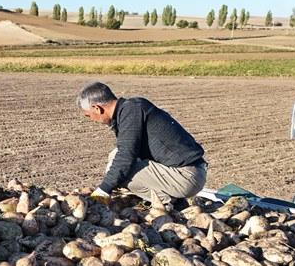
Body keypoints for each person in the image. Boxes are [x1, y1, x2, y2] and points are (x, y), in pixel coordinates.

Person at [77, 81, 208, 207]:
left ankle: (170, 202)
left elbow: (126, 156)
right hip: (185, 172)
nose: (92, 120)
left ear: (97, 108)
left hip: (186, 176)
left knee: (117, 168)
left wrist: (103, 190)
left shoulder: (131, 110)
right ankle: (174, 200)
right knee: (114, 156)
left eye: (89, 116)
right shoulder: (130, 108)